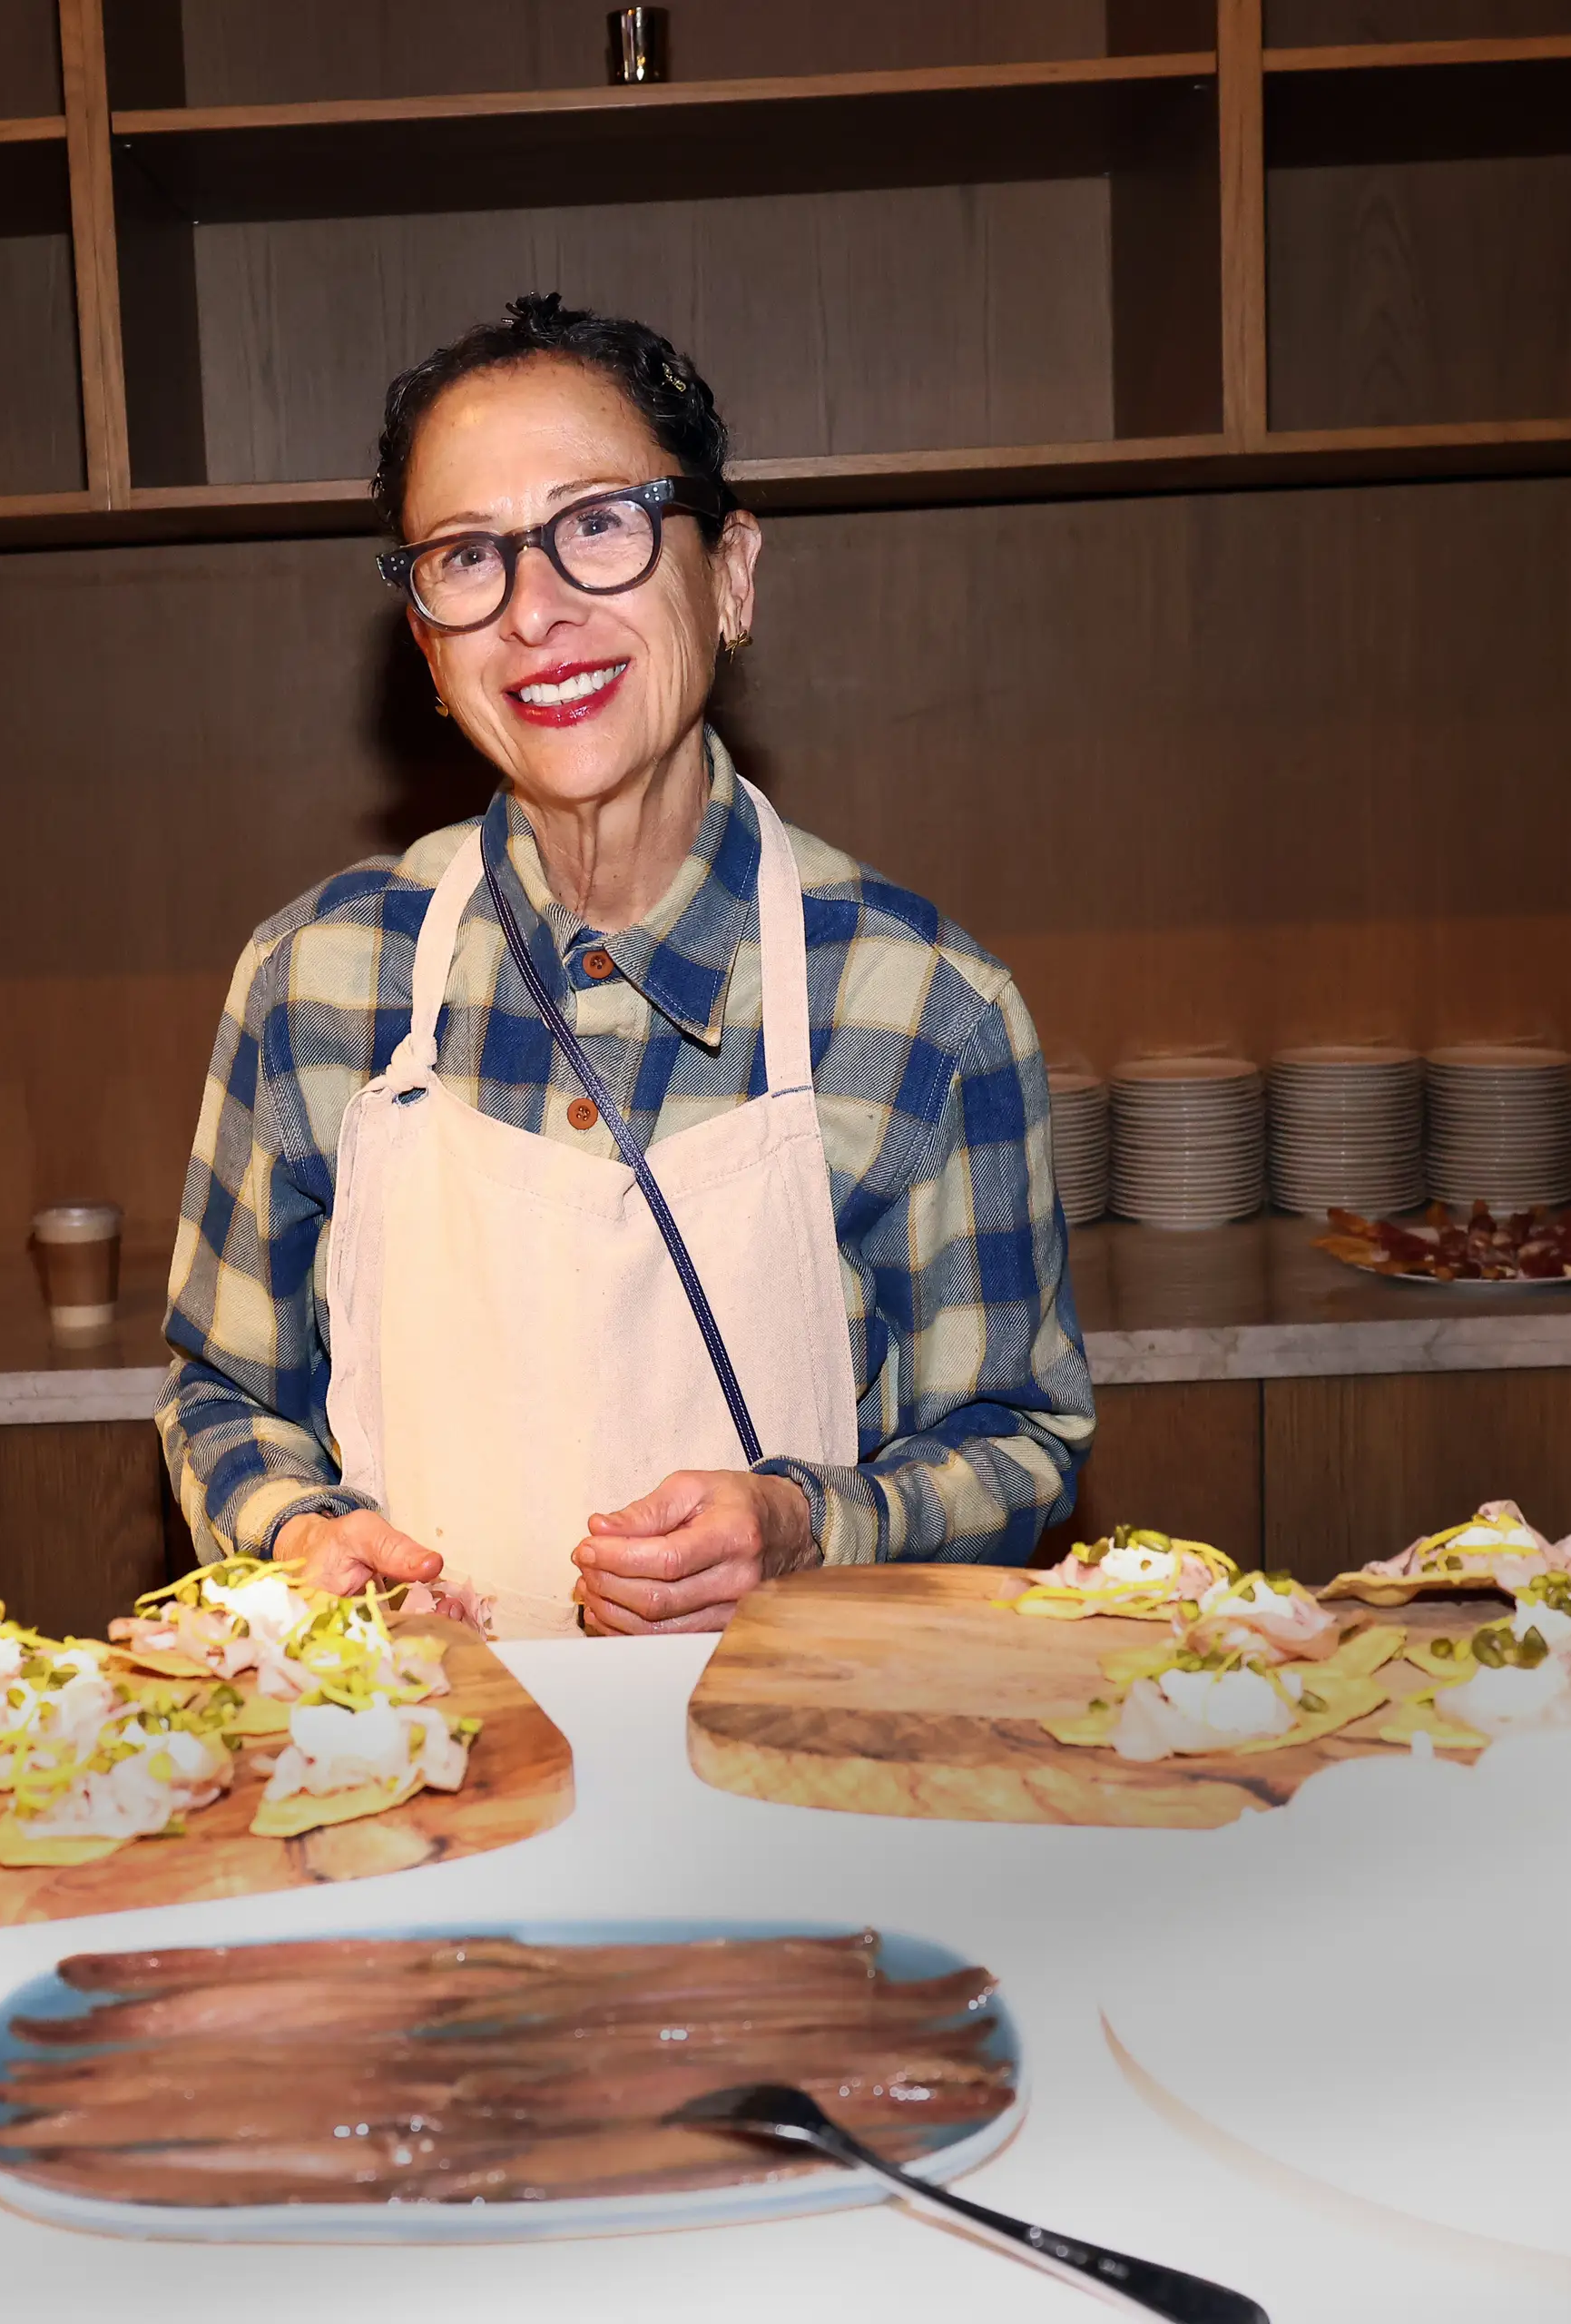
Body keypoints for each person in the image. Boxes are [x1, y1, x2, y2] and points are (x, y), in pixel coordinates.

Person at [159, 293, 1094, 1638]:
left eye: (599, 524)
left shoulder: (926, 1010)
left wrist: (808, 1529)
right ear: (428, 646)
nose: (535, 611)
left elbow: (1016, 1438)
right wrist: (295, 1534)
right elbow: (223, 1397)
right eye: (469, 557)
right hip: (415, 1781)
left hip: (794, 1790)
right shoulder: (315, 980)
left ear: (730, 574)